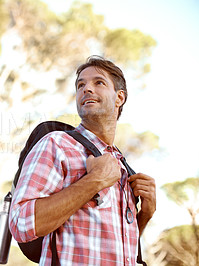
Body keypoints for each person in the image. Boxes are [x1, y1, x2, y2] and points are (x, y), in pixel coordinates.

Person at [9, 56, 156, 265]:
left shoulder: (123, 167)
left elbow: (116, 245)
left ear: (119, 98)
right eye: (80, 85)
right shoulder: (56, 144)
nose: (86, 89)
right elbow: (21, 223)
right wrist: (94, 181)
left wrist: (146, 215)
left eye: (99, 82)